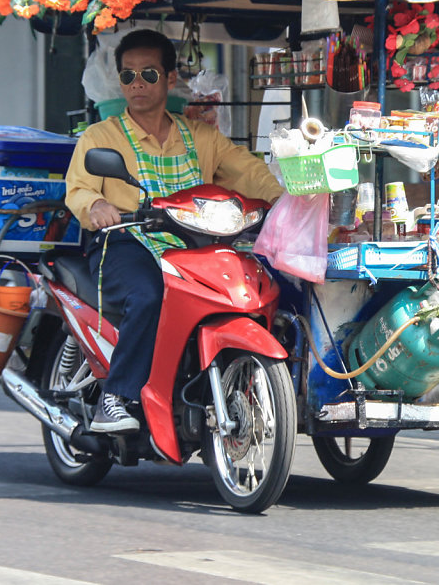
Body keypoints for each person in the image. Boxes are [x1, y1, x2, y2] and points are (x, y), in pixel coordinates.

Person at [65, 29, 283, 434]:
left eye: (148, 74)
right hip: (125, 241)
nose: (137, 85)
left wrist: (286, 201)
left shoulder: (201, 136)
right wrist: (96, 206)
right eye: (128, 76)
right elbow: (78, 188)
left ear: (169, 79)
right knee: (148, 296)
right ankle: (116, 397)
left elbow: (249, 171)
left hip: (194, 246)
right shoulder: (101, 136)